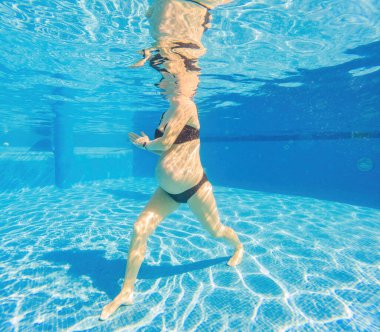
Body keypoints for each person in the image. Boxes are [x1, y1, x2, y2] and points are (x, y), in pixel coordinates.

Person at [100, 0, 243, 321]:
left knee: (217, 231)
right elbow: (162, 143)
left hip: (194, 187)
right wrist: (145, 143)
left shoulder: (185, 105)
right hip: (166, 190)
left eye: (164, 76)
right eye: (160, 77)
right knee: (140, 228)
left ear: (177, 76)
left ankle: (239, 247)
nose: (160, 83)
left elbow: (165, 144)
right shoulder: (168, 108)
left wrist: (146, 144)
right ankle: (127, 290)